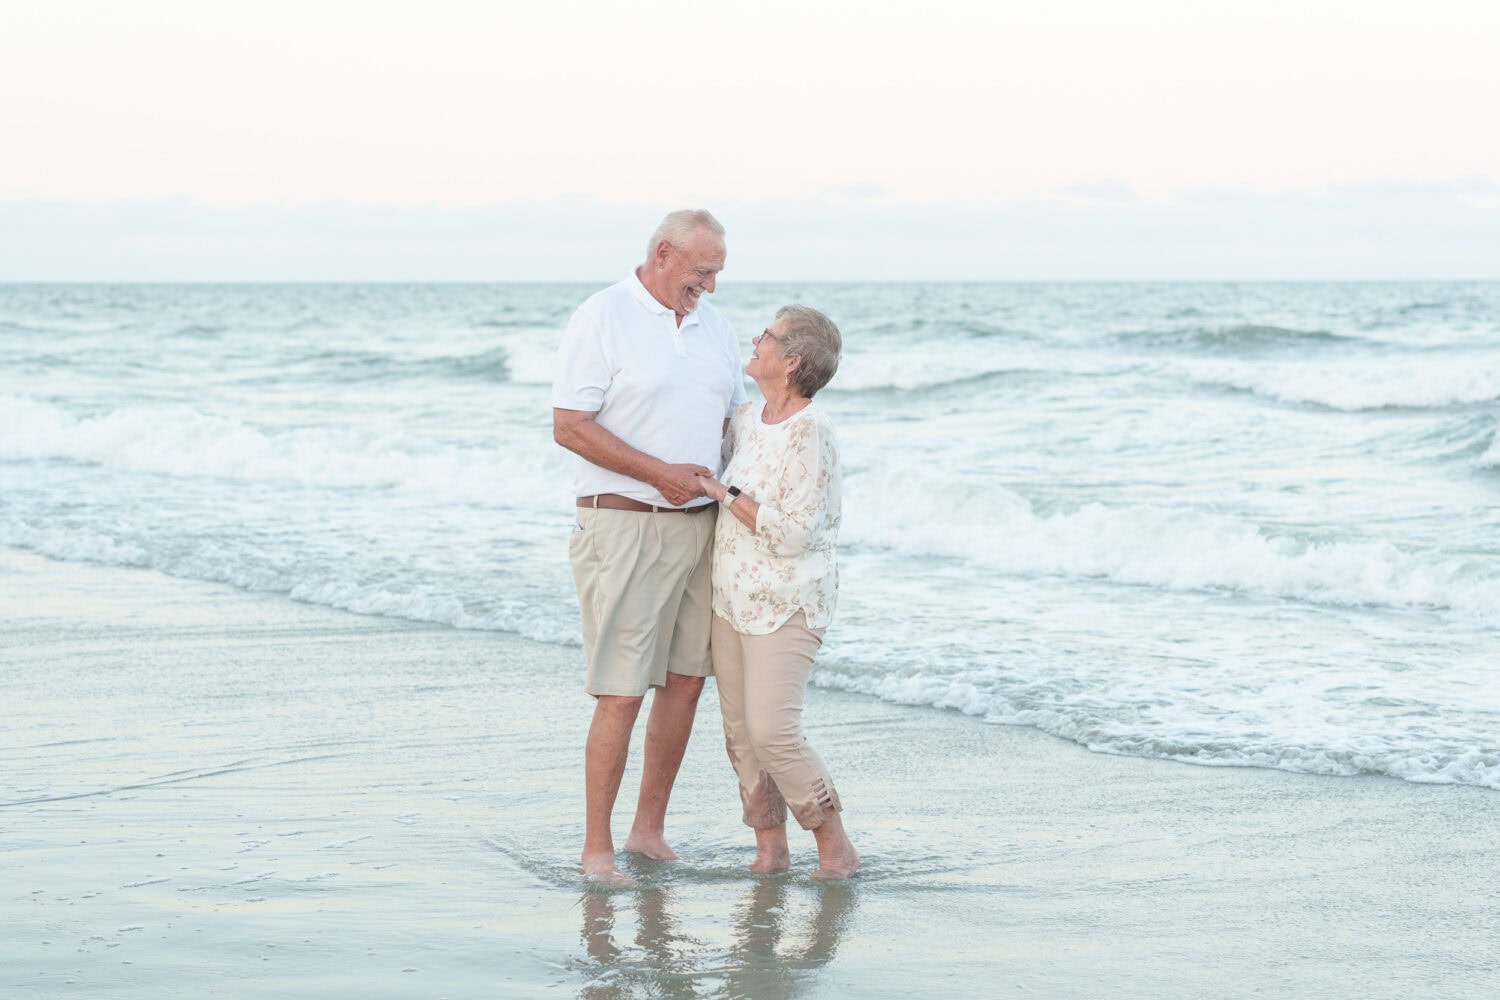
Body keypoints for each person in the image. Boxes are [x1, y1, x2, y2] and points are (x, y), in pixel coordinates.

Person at [552, 209, 746, 885]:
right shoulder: (602, 316)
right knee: (623, 690)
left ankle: (648, 832)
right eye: (702, 271)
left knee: (688, 683)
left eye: (718, 272)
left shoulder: (712, 326)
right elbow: (570, 427)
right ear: (663, 253)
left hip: (701, 528)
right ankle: (596, 848)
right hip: (625, 524)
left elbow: (733, 422)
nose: (712, 287)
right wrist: (658, 473)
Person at [694, 304, 859, 880]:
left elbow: (793, 533)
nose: (756, 339)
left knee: (773, 732)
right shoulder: (747, 417)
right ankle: (770, 850)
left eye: (768, 335)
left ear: (791, 363)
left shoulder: (812, 431)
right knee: (741, 736)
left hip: (789, 602)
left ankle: (834, 845)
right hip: (730, 599)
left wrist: (723, 492)